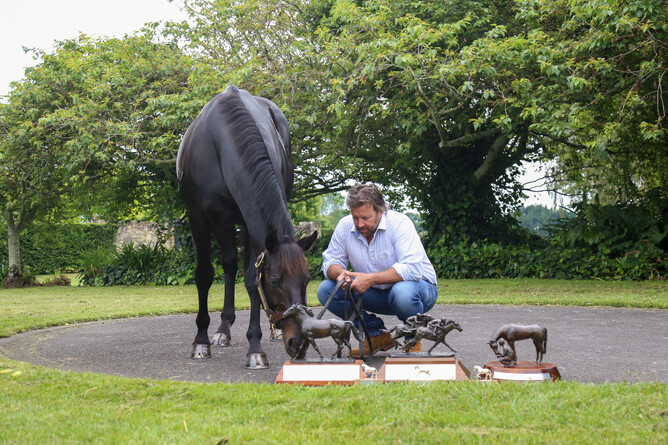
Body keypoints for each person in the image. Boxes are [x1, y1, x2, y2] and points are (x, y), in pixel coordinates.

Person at [317, 183, 438, 355]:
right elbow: (330, 261)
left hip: (417, 291)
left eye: (365, 218)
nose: (359, 224)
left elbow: (412, 269)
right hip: (374, 293)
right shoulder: (344, 226)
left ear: (380, 211)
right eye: (355, 217)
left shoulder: (400, 223)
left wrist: (369, 279)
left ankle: (412, 340)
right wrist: (340, 273)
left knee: (402, 292)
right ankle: (376, 336)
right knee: (327, 290)